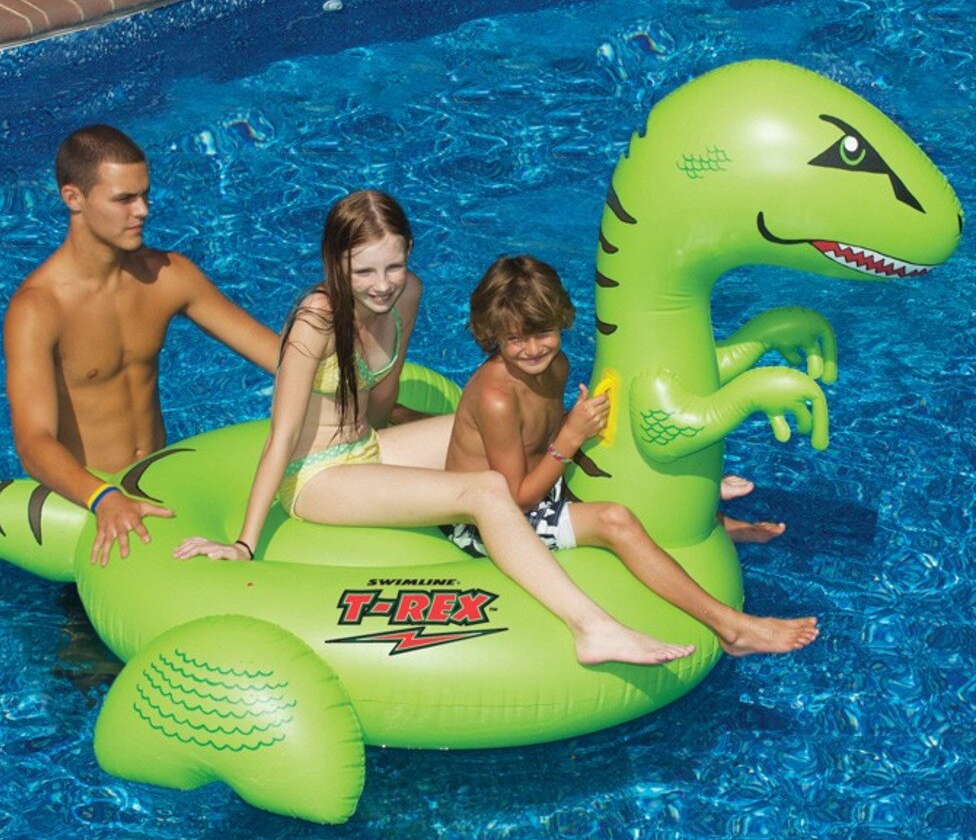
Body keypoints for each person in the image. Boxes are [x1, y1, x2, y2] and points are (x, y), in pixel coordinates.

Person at [174, 190, 697, 667]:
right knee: (486, 488)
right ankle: (592, 627)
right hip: (317, 477)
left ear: (409, 252)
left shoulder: (406, 295)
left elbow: (381, 400)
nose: (382, 284)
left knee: (493, 426)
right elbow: (283, 435)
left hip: (369, 446)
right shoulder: (315, 321)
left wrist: (424, 428)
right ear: (336, 263)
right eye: (363, 271)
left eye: (394, 266)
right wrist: (244, 543)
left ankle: (676, 487)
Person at [441, 254, 818, 656]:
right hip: (486, 522)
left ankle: (720, 522)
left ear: (560, 320)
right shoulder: (496, 398)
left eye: (543, 333)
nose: (533, 349)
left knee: (629, 476)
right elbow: (515, 500)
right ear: (492, 333)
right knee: (615, 519)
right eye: (516, 339)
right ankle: (733, 630)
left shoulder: (556, 365)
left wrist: (573, 429)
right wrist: (571, 435)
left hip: (534, 481)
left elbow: (538, 437)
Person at [3, 124, 280, 566]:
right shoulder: (39, 308)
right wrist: (103, 497)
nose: (143, 210)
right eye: (124, 199)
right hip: (88, 506)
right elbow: (33, 442)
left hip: (160, 488)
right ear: (73, 198)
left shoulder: (167, 276)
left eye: (145, 195)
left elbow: (280, 357)